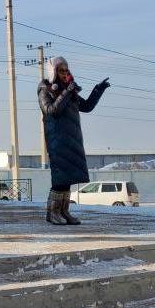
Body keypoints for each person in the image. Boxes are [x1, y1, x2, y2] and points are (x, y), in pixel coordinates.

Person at [37, 56, 110, 225]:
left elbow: (87, 106)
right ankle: (52, 213)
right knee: (59, 178)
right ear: (53, 72)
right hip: (57, 140)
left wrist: (98, 90)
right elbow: (51, 110)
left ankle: (64, 212)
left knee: (68, 179)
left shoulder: (69, 91)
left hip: (72, 140)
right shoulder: (45, 89)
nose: (65, 73)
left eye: (66, 70)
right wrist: (67, 91)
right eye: (61, 70)